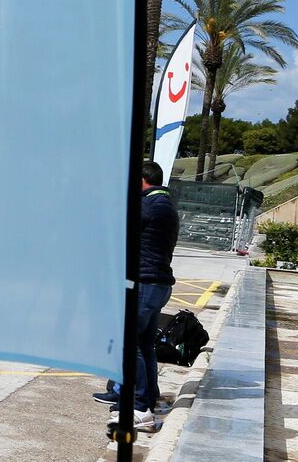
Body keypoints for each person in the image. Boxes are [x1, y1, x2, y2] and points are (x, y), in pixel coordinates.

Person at [94, 161, 179, 432]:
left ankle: (139, 407)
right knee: (144, 346)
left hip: (145, 284)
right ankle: (146, 398)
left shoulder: (150, 205)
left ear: (142, 180)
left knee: (130, 346)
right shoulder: (165, 204)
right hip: (156, 284)